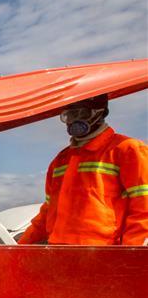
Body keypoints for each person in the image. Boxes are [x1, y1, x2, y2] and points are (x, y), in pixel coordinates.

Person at [18, 94, 148, 245]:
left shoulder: (127, 150)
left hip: (103, 254)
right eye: (69, 115)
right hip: (60, 253)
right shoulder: (60, 160)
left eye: (81, 113)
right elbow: (47, 213)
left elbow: (144, 209)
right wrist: (17, 249)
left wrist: (131, 256)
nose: (74, 120)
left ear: (100, 112)